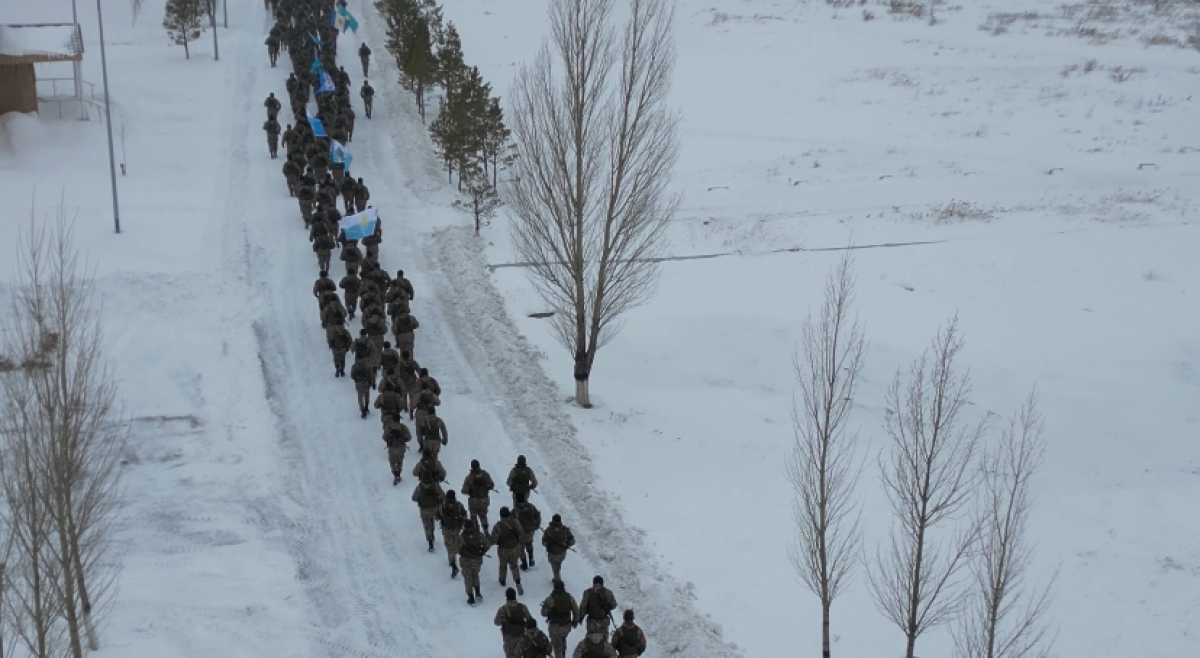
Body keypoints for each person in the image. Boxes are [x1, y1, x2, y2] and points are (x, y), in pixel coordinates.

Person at [541, 579, 580, 658]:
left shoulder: (550, 598)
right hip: (566, 626)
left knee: (557, 646)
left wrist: (548, 609)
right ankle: (563, 653)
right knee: (562, 639)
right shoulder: (569, 597)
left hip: (554, 627)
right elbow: (576, 611)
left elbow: (543, 613)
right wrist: (575, 621)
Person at [490, 507, 525, 595]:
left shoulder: (498, 526)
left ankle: (502, 580)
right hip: (514, 548)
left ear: (501, 515)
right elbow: (521, 533)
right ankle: (518, 582)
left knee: (503, 565)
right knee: (514, 566)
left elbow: (493, 540)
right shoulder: (515, 522)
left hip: (503, 549)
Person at [494, 588, 534, 658]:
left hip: (509, 638)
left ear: (506, 597)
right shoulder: (522, 607)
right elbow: (530, 620)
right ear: (515, 596)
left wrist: (504, 620)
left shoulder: (502, 609)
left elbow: (496, 622)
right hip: (522, 636)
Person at [462, 459, 496, 533]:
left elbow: (464, 490)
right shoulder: (485, 474)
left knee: (473, 518)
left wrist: (470, 490)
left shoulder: (469, 477)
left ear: (471, 467)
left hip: (473, 501)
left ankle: (476, 534)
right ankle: (486, 532)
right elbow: (492, 485)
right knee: (483, 516)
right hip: (484, 500)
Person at [460, 519, 489, 605]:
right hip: (477, 559)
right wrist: (482, 551)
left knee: (467, 578)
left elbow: (457, 548)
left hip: (466, 560)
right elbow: (487, 544)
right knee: (475, 575)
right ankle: (478, 593)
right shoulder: (479, 535)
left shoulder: (462, 537)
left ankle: (470, 597)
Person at [440, 490, 468, 579]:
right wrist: (461, 522)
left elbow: (437, 516)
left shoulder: (443, 505)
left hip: (446, 529)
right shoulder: (459, 505)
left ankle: (453, 564)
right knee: (456, 542)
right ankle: (461, 556)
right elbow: (465, 515)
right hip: (457, 529)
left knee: (449, 547)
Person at [411, 480, 444, 552]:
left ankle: (430, 542)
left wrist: (420, 499)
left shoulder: (420, 487)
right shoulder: (435, 485)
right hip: (435, 508)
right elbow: (442, 495)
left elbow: (413, 498)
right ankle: (434, 532)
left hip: (424, 510)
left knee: (427, 525)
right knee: (432, 521)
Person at [541, 514, 576, 582]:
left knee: (555, 568)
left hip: (552, 554)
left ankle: (558, 581)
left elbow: (543, 542)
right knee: (557, 565)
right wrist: (567, 544)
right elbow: (573, 541)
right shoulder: (565, 529)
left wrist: (548, 544)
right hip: (562, 554)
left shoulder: (548, 530)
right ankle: (557, 575)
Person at [515, 499, 542, 571]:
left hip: (520, 533)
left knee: (521, 549)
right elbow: (538, 515)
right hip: (530, 531)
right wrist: (536, 526)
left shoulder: (516, 510)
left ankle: (524, 564)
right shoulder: (531, 506)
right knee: (529, 544)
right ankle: (531, 559)